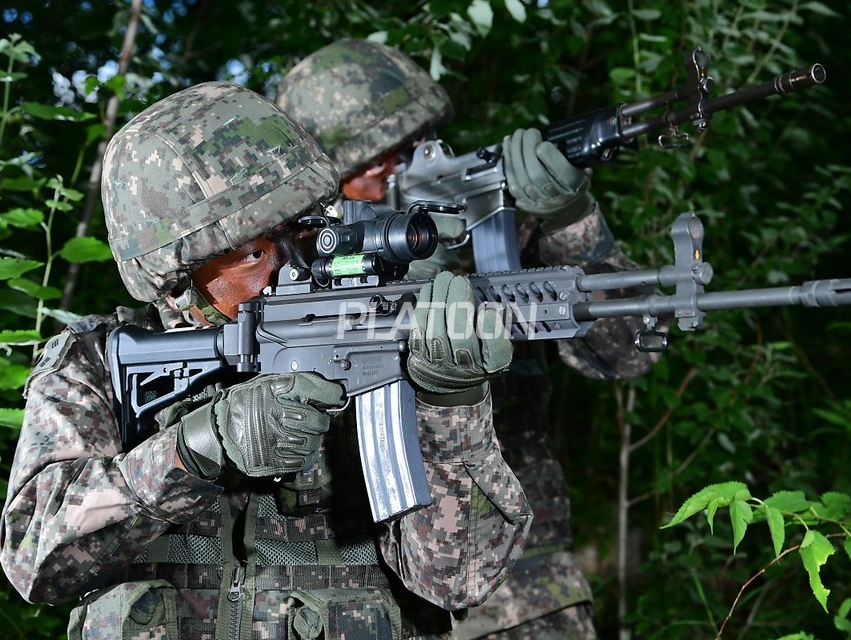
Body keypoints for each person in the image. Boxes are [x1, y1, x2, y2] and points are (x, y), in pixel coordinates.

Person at [0, 81, 533, 639]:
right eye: (255, 253)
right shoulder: (96, 365)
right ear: (176, 281)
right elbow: (33, 558)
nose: (295, 269)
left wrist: (451, 400)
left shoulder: (382, 338)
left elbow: (462, 580)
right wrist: (196, 448)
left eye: (305, 234)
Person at [276, 39, 660, 640]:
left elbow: (626, 349)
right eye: (376, 161)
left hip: (521, 598)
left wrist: (568, 218)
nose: (405, 168)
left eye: (414, 146)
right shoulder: (282, 276)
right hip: (352, 607)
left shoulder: (496, 229)